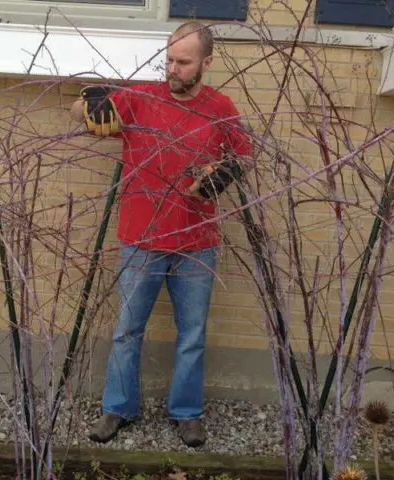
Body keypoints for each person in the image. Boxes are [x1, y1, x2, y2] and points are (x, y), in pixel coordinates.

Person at [69, 21, 252, 448]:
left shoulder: (221, 108)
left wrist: (223, 172)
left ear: (206, 63)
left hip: (196, 244)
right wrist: (88, 102)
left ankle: (186, 413)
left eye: (183, 62)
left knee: (192, 335)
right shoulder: (139, 98)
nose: (173, 68)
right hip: (140, 239)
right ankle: (117, 408)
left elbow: (243, 154)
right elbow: (79, 116)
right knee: (127, 331)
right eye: (169, 58)